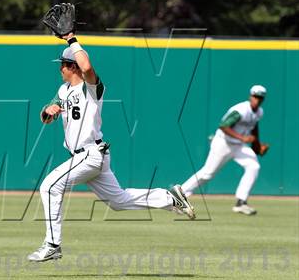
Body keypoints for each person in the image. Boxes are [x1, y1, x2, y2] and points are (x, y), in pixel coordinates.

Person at [27, 33, 195, 262]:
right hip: (88, 157)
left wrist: (71, 39)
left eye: (63, 65)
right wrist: (48, 111)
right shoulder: (63, 91)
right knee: (119, 201)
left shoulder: (91, 88)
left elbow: (87, 67)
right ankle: (169, 197)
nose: (60, 70)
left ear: (72, 66)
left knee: (49, 187)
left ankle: (53, 245)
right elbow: (46, 117)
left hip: (90, 154)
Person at [181, 85, 267, 215]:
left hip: (238, 146)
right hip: (223, 143)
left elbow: (254, 128)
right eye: (255, 96)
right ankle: (180, 193)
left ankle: (241, 202)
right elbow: (223, 126)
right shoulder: (241, 110)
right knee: (207, 173)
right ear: (250, 96)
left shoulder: (259, 112)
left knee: (253, 166)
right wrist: (242, 138)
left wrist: (257, 145)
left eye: (260, 97)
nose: (257, 99)